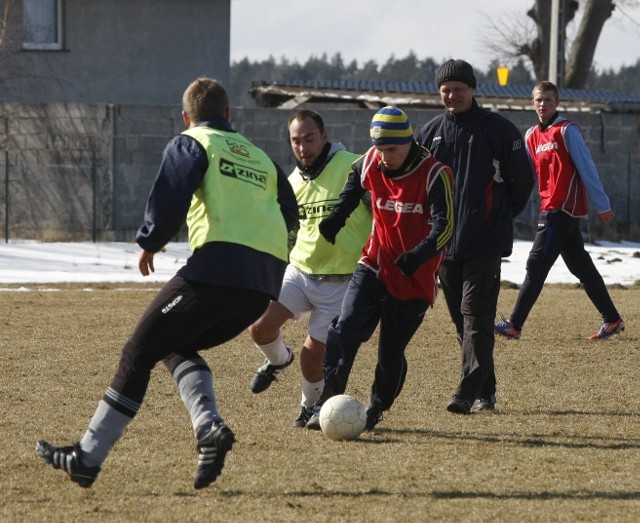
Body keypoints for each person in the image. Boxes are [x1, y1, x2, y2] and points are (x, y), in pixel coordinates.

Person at [35, 77, 298, 489]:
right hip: (262, 285)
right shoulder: (264, 159)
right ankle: (209, 427)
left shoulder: (193, 141)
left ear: (185, 117)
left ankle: (86, 458)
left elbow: (173, 189)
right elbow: (290, 213)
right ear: (230, 115)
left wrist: (150, 242)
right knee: (173, 344)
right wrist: (272, 264)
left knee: (137, 353)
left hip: (216, 271)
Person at [305, 105, 454, 431]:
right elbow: (355, 179)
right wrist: (337, 217)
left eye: (392, 149)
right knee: (344, 331)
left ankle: (376, 408)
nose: (385, 156)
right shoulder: (372, 159)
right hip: (375, 263)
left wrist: (419, 254)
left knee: (390, 353)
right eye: (380, 148)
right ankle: (325, 404)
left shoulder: (434, 174)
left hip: (415, 278)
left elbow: (446, 227)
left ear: (409, 142)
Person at [417, 59, 534, 415]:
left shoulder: (498, 129)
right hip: (444, 244)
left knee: (476, 318)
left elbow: (522, 181)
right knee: (462, 323)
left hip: (483, 241)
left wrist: (495, 217)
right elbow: (417, 186)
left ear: (473, 90)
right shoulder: (429, 133)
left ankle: (465, 393)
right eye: (446, 90)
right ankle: (487, 390)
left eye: (458, 89)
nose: (452, 96)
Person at [247, 109, 371, 428]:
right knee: (260, 328)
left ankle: (309, 404)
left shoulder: (356, 166)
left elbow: (384, 207)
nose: (303, 147)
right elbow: (287, 232)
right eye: (296, 141)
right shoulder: (292, 182)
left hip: (341, 281)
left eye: (309, 138)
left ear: (325, 136)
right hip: (300, 273)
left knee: (311, 358)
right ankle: (278, 360)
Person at [495, 80, 625, 341]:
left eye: (548, 100)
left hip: (563, 207)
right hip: (549, 205)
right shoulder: (531, 135)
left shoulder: (567, 131)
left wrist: (602, 205)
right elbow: (528, 174)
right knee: (581, 266)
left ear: (557, 103)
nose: (543, 105)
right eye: (539, 100)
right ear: (532, 103)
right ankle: (612, 320)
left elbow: (587, 167)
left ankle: (514, 325)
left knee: (535, 264)